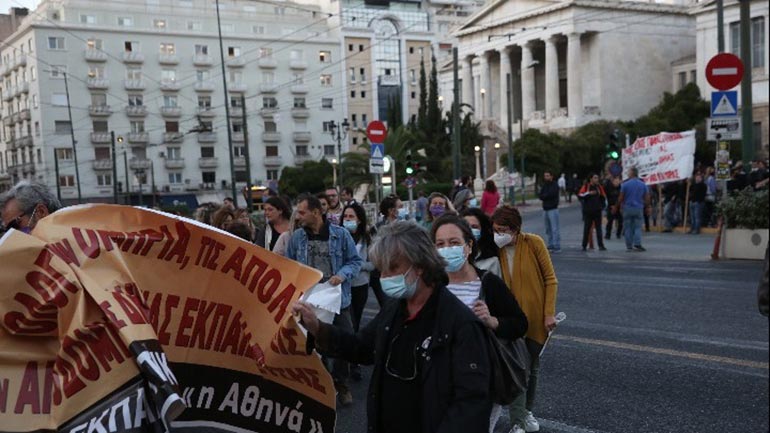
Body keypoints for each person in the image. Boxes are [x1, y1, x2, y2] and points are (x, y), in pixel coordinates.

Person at [292, 221, 493, 433]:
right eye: (382, 270)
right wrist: (317, 328)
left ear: (420, 265)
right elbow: (362, 347)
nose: (386, 277)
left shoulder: (460, 324)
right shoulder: (394, 309)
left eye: (394, 267)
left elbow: (472, 404)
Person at [430, 215, 528, 433]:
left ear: (469, 246)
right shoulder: (431, 287)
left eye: (454, 243)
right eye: (440, 244)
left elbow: (520, 324)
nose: (447, 249)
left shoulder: (489, 283)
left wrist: (493, 321)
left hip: (482, 382)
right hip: (438, 381)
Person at [285, 194, 363, 406]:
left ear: (316, 212)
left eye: (302, 212)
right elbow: (290, 266)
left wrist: (343, 274)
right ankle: (322, 385)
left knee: (344, 341)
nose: (298, 216)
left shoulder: (340, 234)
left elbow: (355, 261)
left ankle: (341, 383)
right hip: (309, 301)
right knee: (312, 344)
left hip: (338, 300)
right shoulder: (297, 238)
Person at [491, 205, 559, 433]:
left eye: (502, 230)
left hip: (535, 318)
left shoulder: (534, 243)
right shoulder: (494, 250)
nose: (498, 234)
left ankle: (526, 412)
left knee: (533, 368)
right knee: (517, 368)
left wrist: (549, 313)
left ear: (516, 230)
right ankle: (518, 421)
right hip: (509, 320)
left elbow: (550, 279)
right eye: (495, 229)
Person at [342, 202, 375, 382]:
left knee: (356, 323)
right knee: (349, 323)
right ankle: (349, 362)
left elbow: (374, 263)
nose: (348, 220)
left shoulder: (367, 239)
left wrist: (357, 265)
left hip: (360, 286)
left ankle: (353, 363)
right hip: (343, 287)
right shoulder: (339, 236)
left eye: (351, 217)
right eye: (345, 217)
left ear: (359, 220)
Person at [461, 208, 502, 277]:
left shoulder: (492, 262)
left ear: (483, 230)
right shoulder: (455, 257)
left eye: (474, 227)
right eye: (465, 226)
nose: (469, 231)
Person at [619, 167, 651, 252]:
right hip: (638, 208)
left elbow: (621, 197)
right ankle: (637, 243)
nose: (627, 174)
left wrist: (618, 206)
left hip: (627, 208)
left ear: (632, 173)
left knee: (628, 227)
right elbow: (647, 197)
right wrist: (647, 207)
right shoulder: (643, 184)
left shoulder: (625, 184)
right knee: (637, 227)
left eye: (628, 172)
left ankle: (629, 245)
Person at [578, 173, 607, 251]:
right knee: (587, 228)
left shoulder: (599, 187)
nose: (596, 179)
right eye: (595, 178)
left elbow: (603, 197)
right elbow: (580, 195)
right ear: (591, 179)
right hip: (588, 211)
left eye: (597, 178)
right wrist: (589, 194)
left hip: (597, 211)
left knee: (599, 229)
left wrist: (602, 206)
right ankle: (584, 245)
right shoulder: (586, 187)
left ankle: (601, 245)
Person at [538, 170, 561, 252]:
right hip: (545, 209)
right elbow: (540, 195)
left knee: (555, 228)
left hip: (553, 209)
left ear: (551, 176)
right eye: (545, 176)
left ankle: (557, 245)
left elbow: (552, 194)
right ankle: (551, 244)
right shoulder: (544, 185)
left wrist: (545, 196)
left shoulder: (555, 185)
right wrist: (545, 196)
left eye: (548, 176)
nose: (546, 177)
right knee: (548, 229)